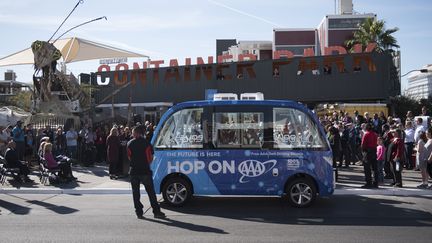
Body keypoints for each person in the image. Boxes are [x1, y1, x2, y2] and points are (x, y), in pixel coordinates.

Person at [127, 126, 165, 219]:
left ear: (135, 133)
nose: (132, 134)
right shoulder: (146, 143)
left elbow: (129, 157)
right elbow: (150, 158)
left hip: (134, 171)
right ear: (140, 133)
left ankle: (139, 212)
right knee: (151, 192)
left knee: (135, 193)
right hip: (145, 170)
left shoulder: (129, 143)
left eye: (133, 132)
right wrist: (146, 163)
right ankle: (156, 211)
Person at [360, 123, 379, 188]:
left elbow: (363, 145)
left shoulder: (366, 134)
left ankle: (368, 182)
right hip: (374, 151)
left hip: (367, 152)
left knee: (367, 168)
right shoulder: (375, 134)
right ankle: (375, 183)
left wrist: (363, 152)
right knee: (374, 168)